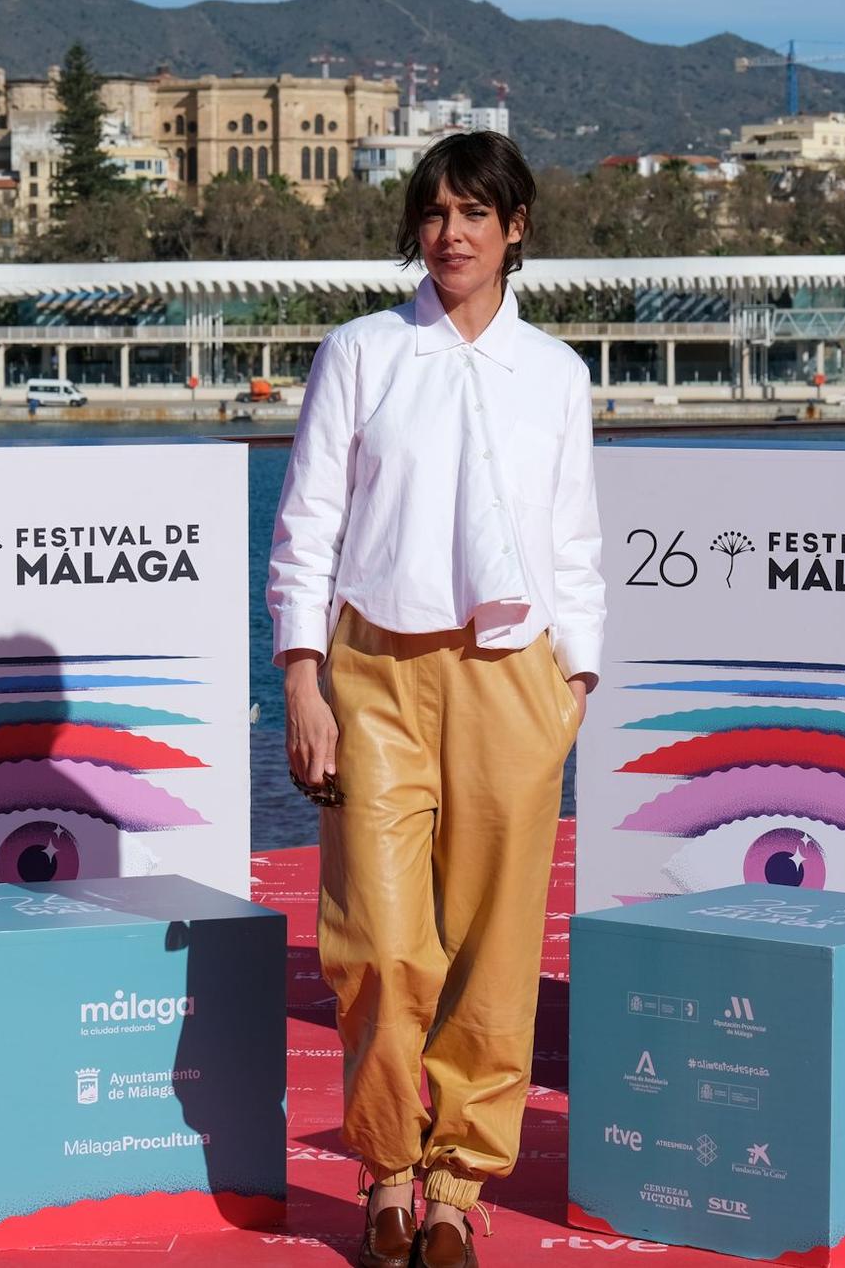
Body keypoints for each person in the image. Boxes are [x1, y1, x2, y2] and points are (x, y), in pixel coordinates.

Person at [266, 131, 603, 1268]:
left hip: (513, 677)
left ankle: (457, 1185)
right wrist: (301, 677)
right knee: (377, 945)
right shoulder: (360, 352)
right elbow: (306, 522)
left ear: (516, 229)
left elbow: (573, 540)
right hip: (371, 677)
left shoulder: (554, 373)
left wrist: (574, 684)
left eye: (473, 212)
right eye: (432, 211)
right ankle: (383, 1170)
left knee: (497, 947)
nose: (449, 232)